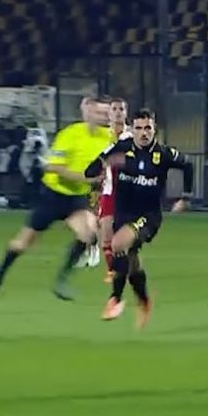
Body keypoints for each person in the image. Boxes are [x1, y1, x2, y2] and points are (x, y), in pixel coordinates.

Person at [0, 96, 111, 304]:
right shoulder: (70, 134)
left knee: (88, 234)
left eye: (106, 113)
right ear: (89, 113)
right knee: (21, 244)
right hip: (52, 196)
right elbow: (52, 167)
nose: (104, 116)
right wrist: (86, 179)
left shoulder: (109, 137)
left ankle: (61, 280)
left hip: (76, 199)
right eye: (100, 112)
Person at [85, 109, 192, 326]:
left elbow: (187, 165)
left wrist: (185, 197)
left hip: (148, 216)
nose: (144, 133)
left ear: (154, 129)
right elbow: (90, 170)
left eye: (148, 128)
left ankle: (115, 299)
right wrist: (105, 163)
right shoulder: (122, 148)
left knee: (117, 244)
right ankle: (144, 300)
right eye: (139, 128)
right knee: (132, 262)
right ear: (132, 129)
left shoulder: (163, 154)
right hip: (123, 214)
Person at [93, 97, 133, 282]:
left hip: (129, 190)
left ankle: (127, 266)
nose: (118, 112)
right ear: (109, 113)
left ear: (126, 113)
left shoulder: (132, 136)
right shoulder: (101, 137)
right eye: (114, 109)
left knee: (126, 235)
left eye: (121, 109)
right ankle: (112, 271)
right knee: (106, 232)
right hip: (109, 189)